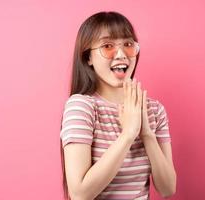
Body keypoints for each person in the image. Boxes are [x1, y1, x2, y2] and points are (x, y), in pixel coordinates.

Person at [60, 11, 176, 200]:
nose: (121, 55)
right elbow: (80, 194)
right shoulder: (81, 107)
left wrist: (147, 133)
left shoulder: (155, 110)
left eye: (128, 45)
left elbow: (167, 188)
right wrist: (128, 134)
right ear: (88, 57)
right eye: (108, 46)